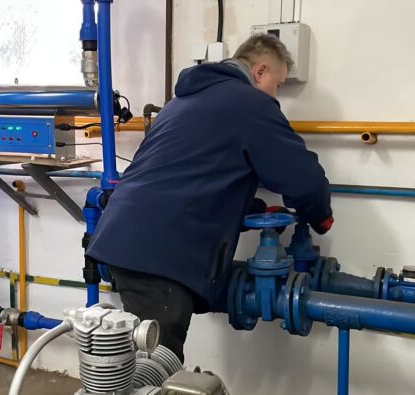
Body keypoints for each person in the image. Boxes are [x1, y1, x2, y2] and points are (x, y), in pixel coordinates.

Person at [86, 34, 333, 362]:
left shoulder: (180, 103)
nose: (276, 95)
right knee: (154, 369)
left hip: (125, 239)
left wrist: (251, 209)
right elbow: (303, 178)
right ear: (260, 71)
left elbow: (193, 176)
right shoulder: (250, 104)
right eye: (277, 84)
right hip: (160, 256)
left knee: (138, 362)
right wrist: (320, 217)